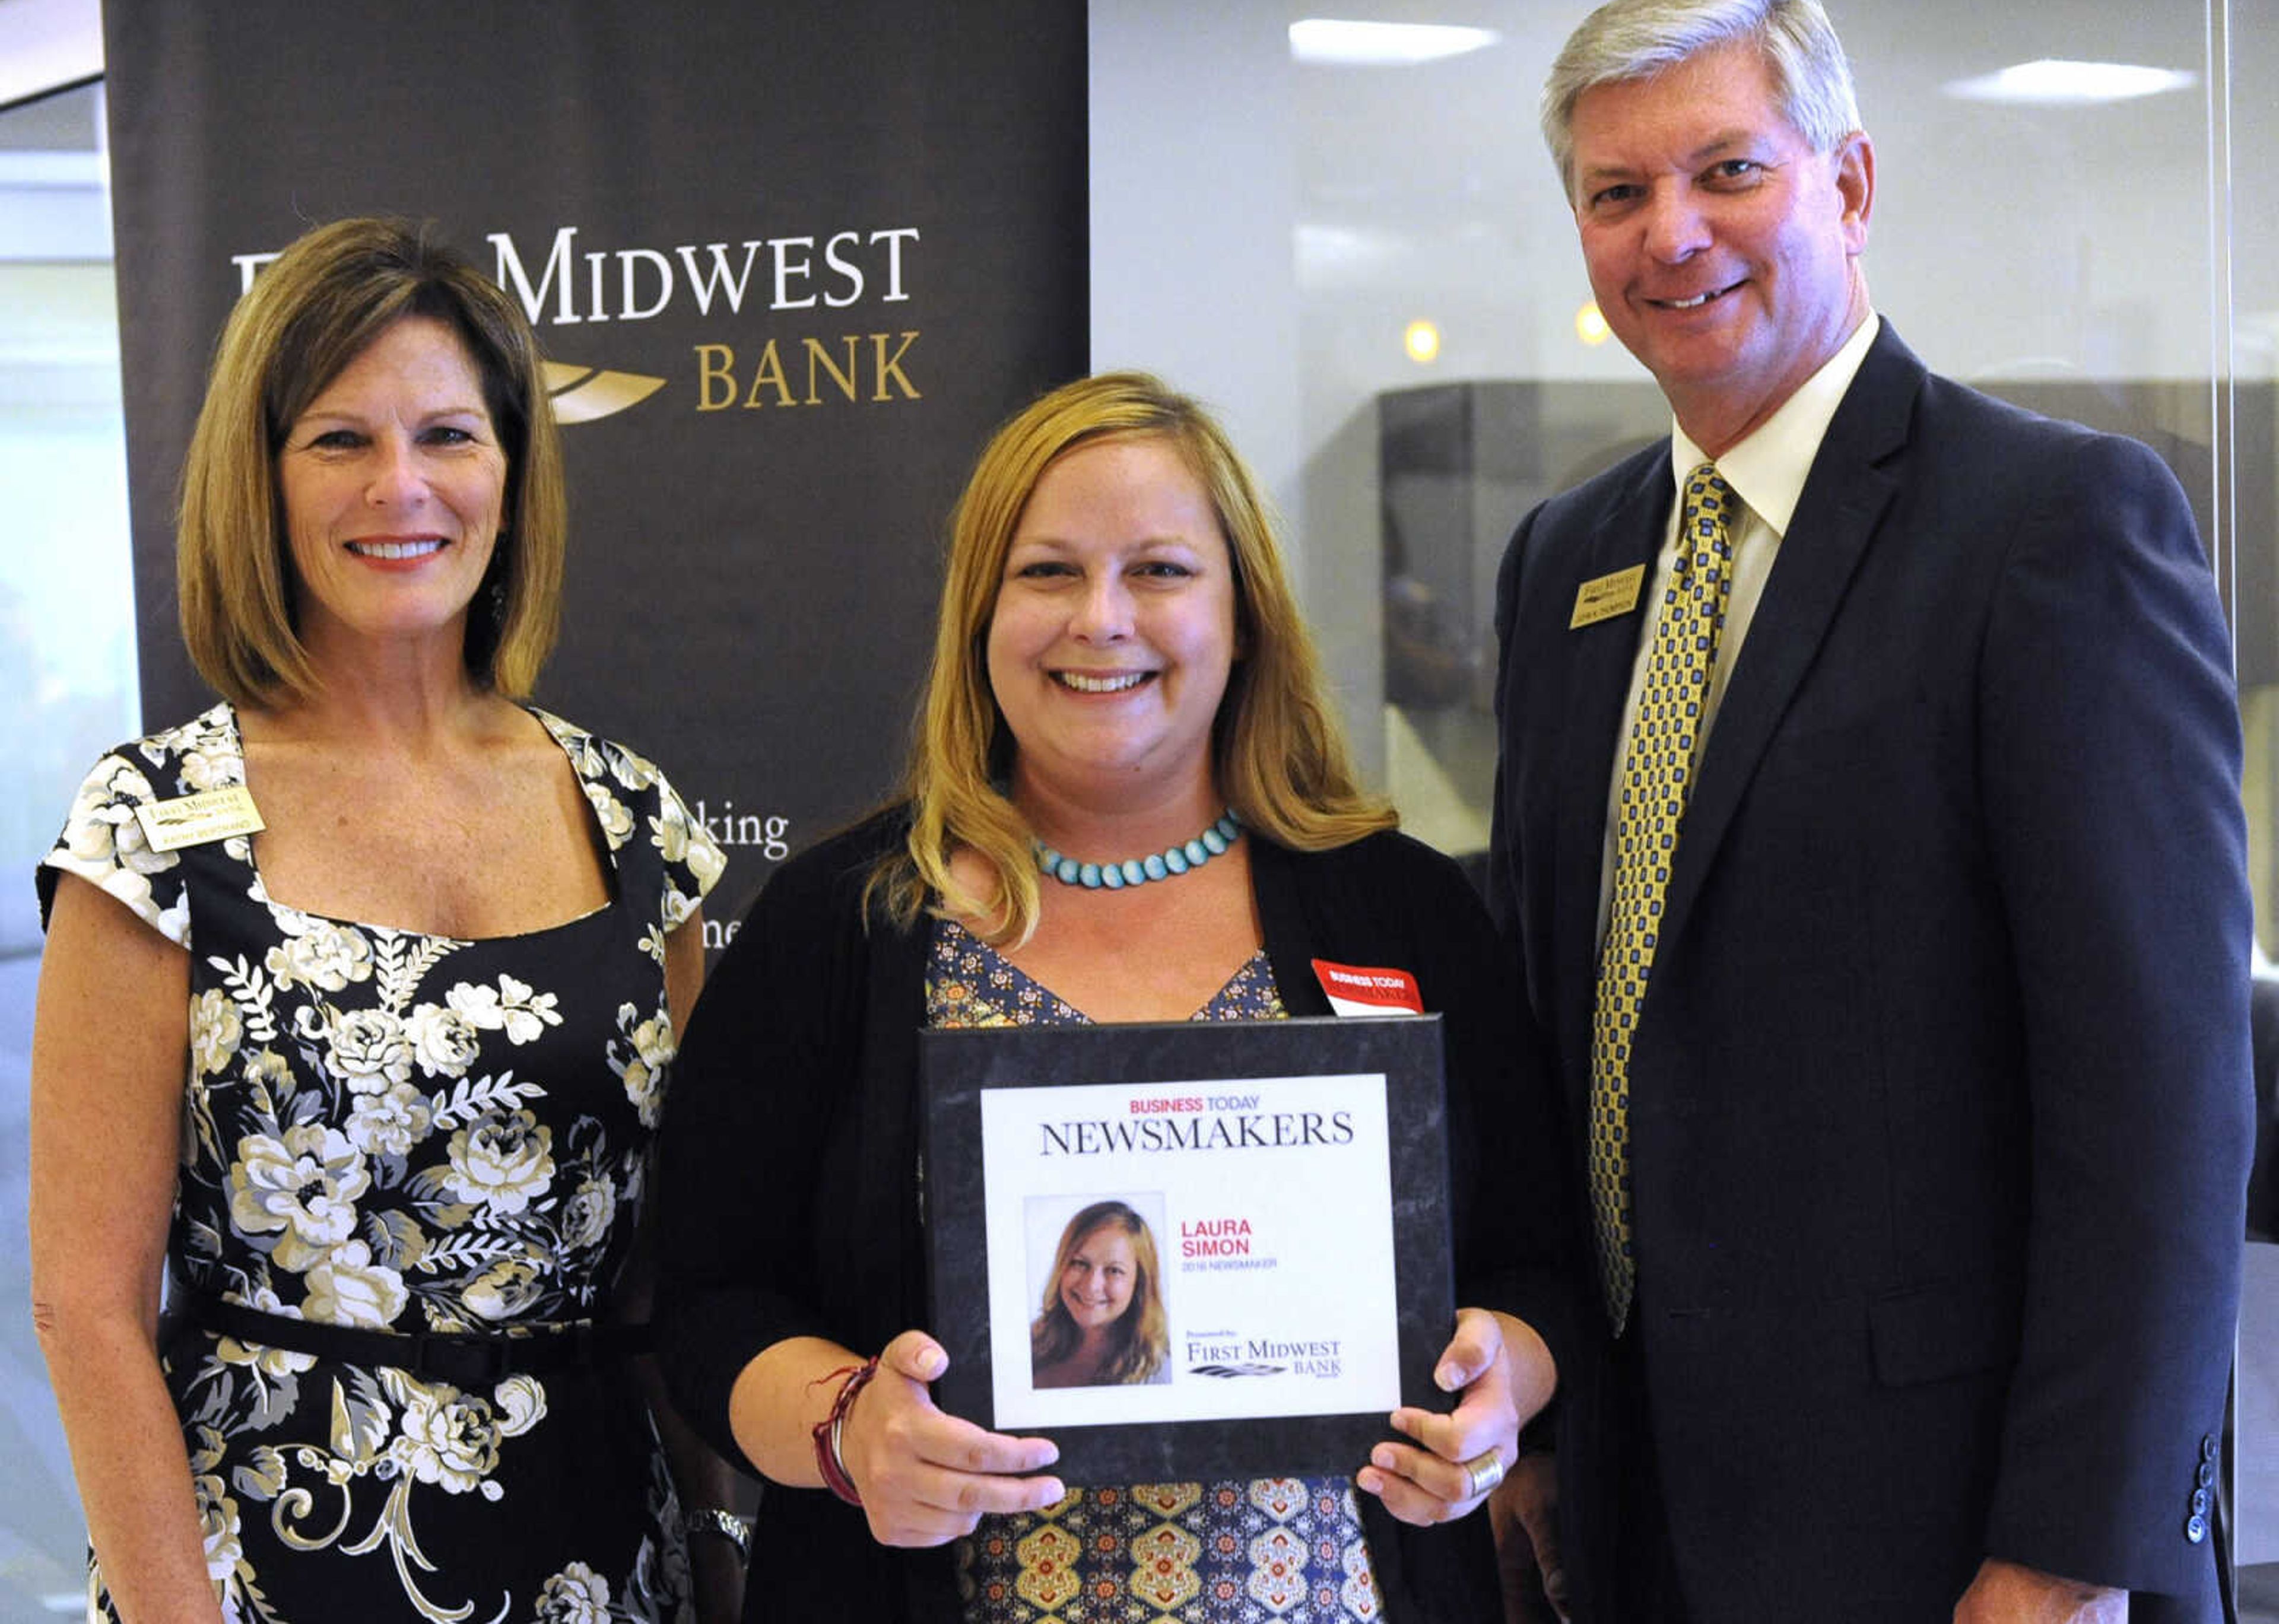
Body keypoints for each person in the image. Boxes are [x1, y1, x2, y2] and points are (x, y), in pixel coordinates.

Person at [1486, 0, 2253, 1624]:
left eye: (1728, 171)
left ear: (1849, 182)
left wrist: (2075, 1540)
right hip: (1636, 1505)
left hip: (1957, 1523)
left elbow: (2164, 1094)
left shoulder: (2052, 527)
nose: (1670, 232)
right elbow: (1556, 1024)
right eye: (1617, 193)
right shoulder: (1567, 563)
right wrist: (1536, 1418)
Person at [653, 371, 1573, 1622]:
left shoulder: (1402, 911)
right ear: (980, 614)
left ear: (1243, 613)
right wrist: (844, 1431)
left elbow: (1543, 1260)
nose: (1102, 619)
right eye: (1046, 573)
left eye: (1159, 570)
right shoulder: (843, 922)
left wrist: (1499, 1383)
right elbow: (707, 1299)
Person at [29, 216, 745, 1623]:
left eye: (448, 436)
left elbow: (689, 1263)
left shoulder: (632, 818)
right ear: (265, 478)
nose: (401, 486)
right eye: (341, 440)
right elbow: (85, 1309)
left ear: (513, 471)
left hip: (602, 1556)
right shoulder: (158, 820)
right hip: (263, 1566)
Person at [1029, 1199, 1170, 1389]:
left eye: (1114, 1270)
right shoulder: (1030, 1342)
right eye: (1080, 1263)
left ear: (1140, 1283)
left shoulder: (1163, 1374)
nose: (1091, 1286)